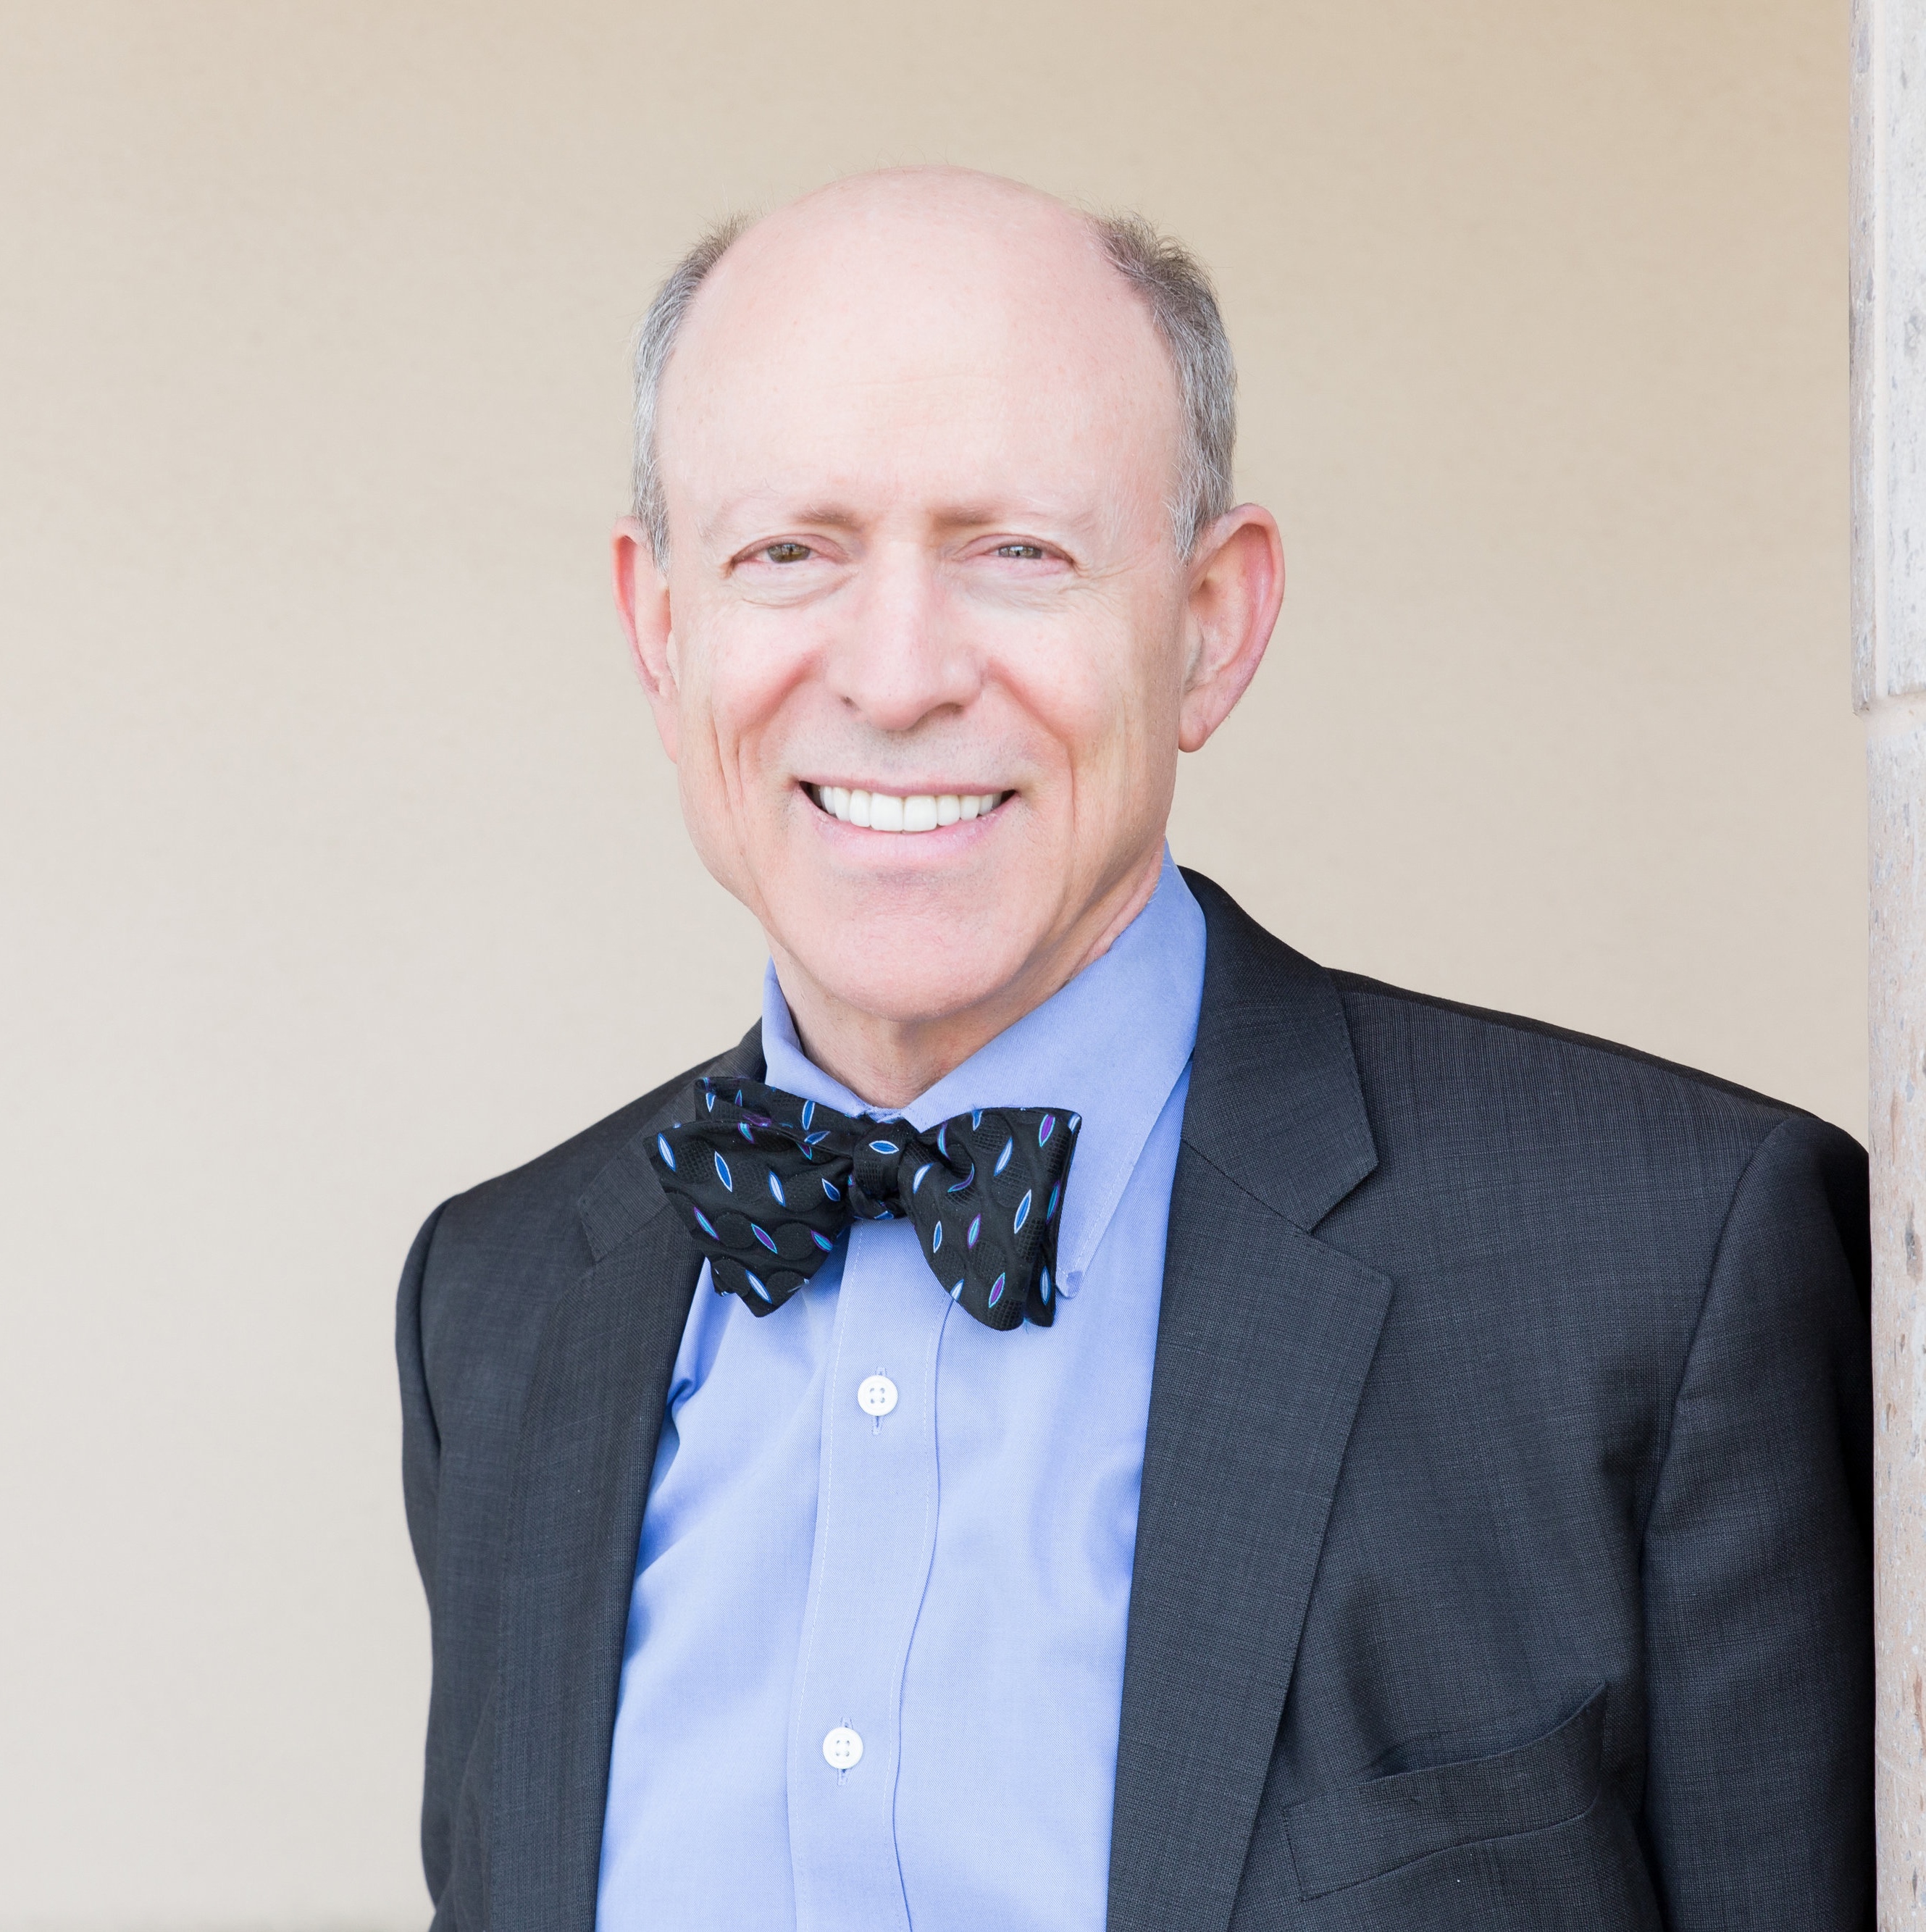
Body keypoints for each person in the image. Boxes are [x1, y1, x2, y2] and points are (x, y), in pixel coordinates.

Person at [396, 168, 1871, 1931]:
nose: (895, 673)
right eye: (787, 552)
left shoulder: (1670, 1263)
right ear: (660, 627)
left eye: (1015, 551)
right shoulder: (496, 1307)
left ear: (1209, 624)